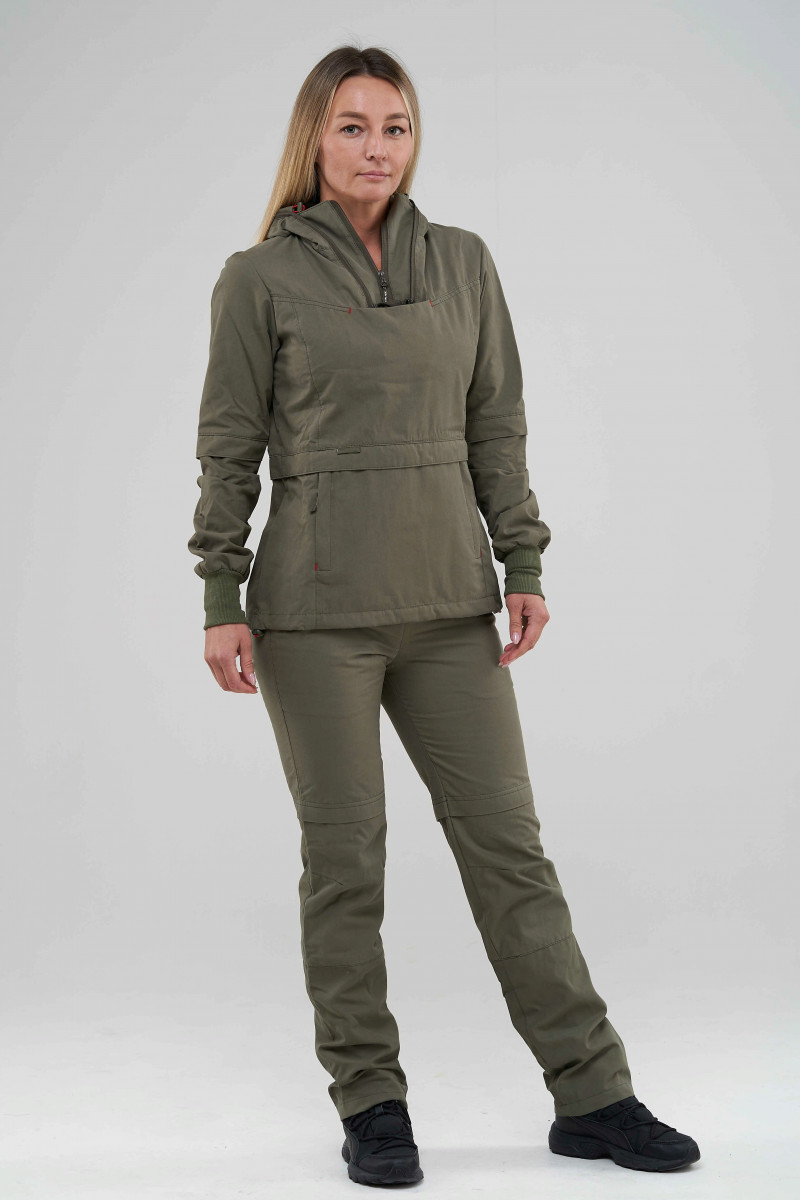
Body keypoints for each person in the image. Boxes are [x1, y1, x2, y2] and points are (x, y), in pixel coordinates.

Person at [188, 44, 701, 1187]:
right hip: (313, 617)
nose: (376, 148)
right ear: (314, 137)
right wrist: (221, 592)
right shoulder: (257, 278)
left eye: (396, 127)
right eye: (353, 126)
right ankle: (371, 1104)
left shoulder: (461, 261)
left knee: (508, 850)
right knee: (345, 863)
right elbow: (227, 445)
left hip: (448, 609)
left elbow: (495, 424)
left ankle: (592, 1094)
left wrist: (522, 558)